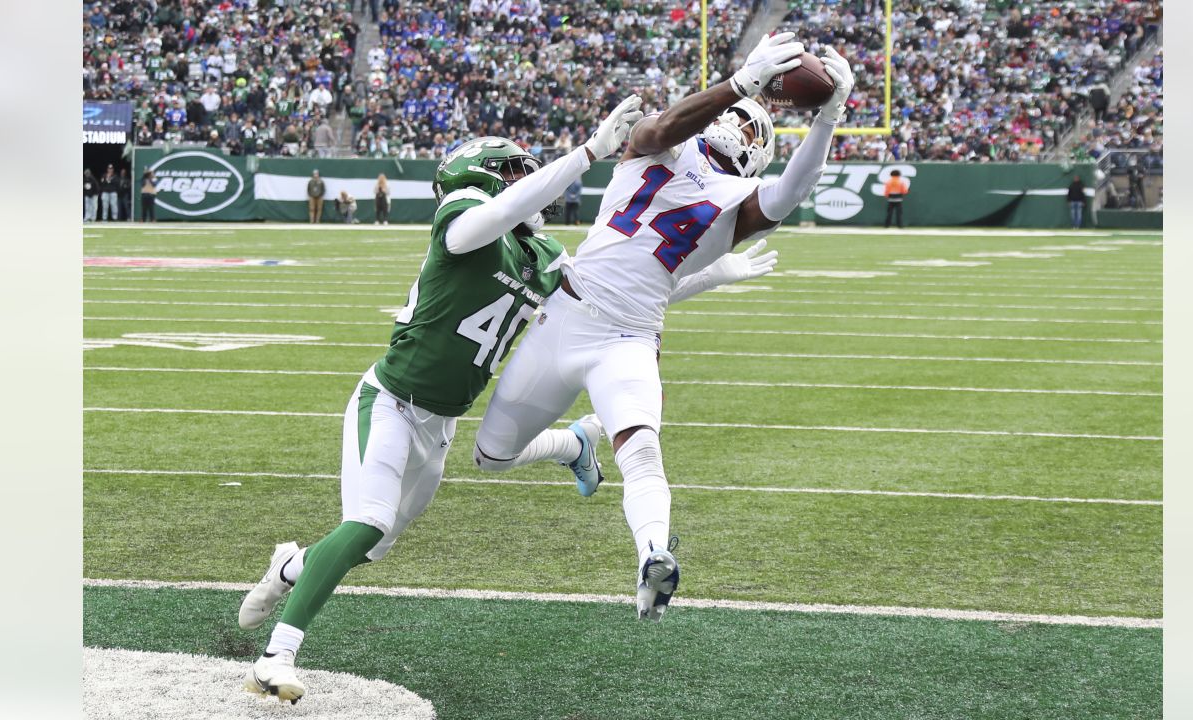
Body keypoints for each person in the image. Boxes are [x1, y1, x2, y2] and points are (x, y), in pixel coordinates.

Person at [237, 103, 774, 705]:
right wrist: (587, 153)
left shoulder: (538, 255)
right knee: (369, 525)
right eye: (520, 173)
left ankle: (291, 566)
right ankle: (277, 655)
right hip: (388, 403)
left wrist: (713, 274)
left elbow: (618, 289)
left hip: (438, 427)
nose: (532, 185)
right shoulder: (462, 217)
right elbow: (484, 224)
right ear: (494, 177)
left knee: (373, 545)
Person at [471, 33, 852, 622]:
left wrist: (829, 117)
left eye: (753, 129)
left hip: (628, 339)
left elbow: (793, 192)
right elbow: (657, 127)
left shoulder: (741, 204)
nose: (738, 126)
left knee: (642, 451)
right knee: (492, 456)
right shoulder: (661, 148)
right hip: (565, 316)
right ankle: (574, 444)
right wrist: (740, 84)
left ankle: (653, 554)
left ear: (760, 156)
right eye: (735, 115)